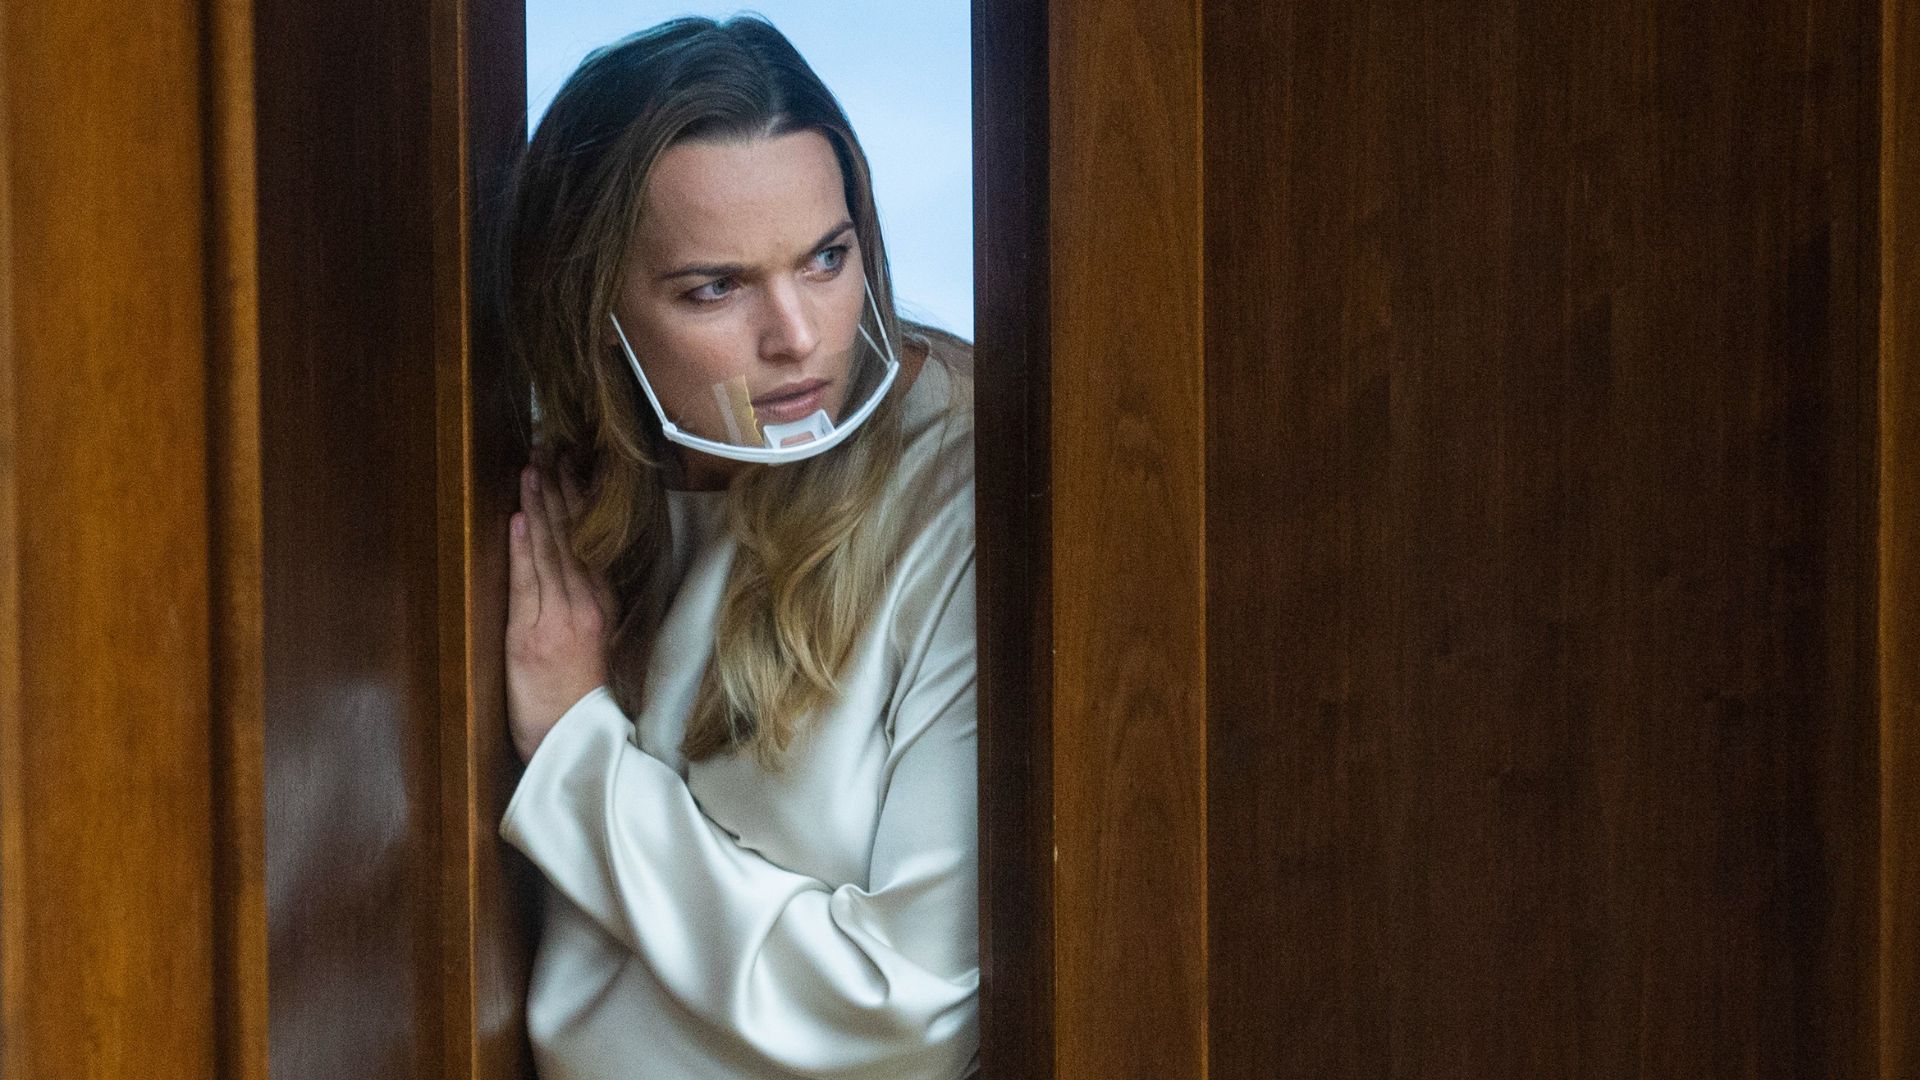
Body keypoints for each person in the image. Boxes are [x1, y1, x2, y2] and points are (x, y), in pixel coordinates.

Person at [492, 15, 979, 1079]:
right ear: (595, 310)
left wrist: (575, 755)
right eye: (716, 287)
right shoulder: (546, 493)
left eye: (827, 259)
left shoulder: (963, 494)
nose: (797, 338)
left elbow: (910, 1015)